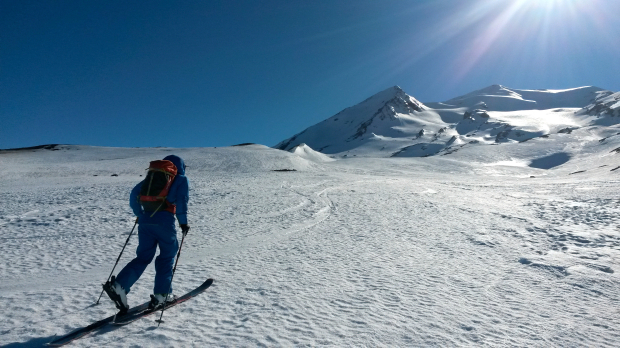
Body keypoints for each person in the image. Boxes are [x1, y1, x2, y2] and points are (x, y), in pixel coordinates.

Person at [103, 155, 190, 313]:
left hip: (145, 222)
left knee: (143, 257)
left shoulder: (152, 178)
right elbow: (182, 201)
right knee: (167, 256)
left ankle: (119, 286)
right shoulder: (180, 179)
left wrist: (140, 214)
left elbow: (133, 196)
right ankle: (162, 295)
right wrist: (183, 223)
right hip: (165, 221)